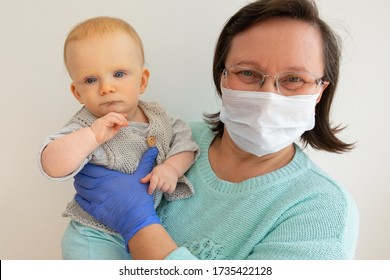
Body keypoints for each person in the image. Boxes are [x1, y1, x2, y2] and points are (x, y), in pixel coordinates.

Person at [73, 0, 359, 260]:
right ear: (221, 76)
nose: (268, 96)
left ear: (320, 91)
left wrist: (136, 223)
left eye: (294, 78)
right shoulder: (171, 137)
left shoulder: (323, 210)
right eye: (248, 73)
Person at [38, 16, 199, 259]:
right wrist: (92, 136)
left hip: (141, 234)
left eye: (119, 74)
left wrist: (171, 169)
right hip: (93, 236)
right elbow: (51, 164)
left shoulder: (158, 115)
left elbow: (185, 143)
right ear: (77, 92)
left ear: (142, 80)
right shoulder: (86, 125)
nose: (106, 88)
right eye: (91, 80)